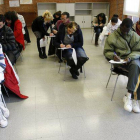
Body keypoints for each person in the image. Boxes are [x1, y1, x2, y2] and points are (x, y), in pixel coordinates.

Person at [104, 18, 140, 113]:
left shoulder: (134, 36)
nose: (125, 32)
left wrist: (130, 57)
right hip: (120, 62)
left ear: (131, 28)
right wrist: (113, 56)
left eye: (127, 31)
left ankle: (133, 98)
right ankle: (131, 96)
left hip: (132, 59)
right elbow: (107, 51)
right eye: (123, 30)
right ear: (120, 26)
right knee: (136, 67)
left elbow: (138, 50)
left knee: (135, 66)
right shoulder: (113, 37)